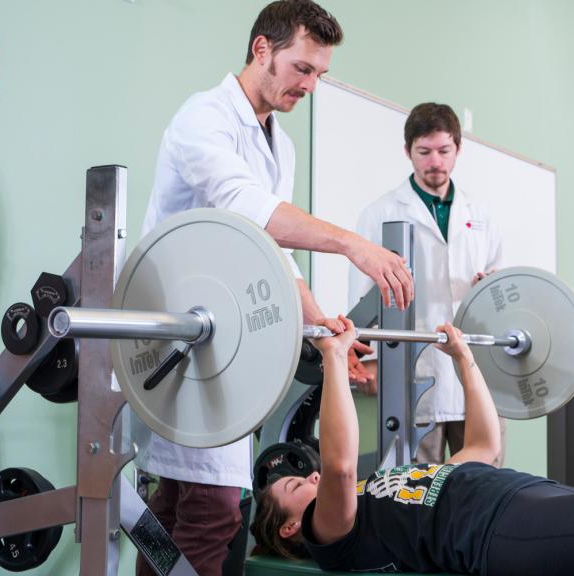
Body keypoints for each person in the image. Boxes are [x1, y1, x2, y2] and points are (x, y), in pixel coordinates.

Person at [134, 2, 413, 575]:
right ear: (262, 49)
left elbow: (271, 254)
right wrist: (352, 245)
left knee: (174, 506)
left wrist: (318, 327)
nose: (310, 85)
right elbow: (250, 211)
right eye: (302, 69)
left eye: (320, 75)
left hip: (217, 347)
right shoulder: (203, 119)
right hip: (174, 341)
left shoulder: (278, 145)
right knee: (211, 511)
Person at [251, 320, 574, 575]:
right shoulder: (332, 534)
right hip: (505, 529)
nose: (308, 475)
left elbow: (484, 446)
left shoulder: (383, 490)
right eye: (295, 484)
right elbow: (338, 466)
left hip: (536, 495)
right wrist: (334, 357)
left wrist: (465, 360)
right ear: (291, 528)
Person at [349, 102, 505, 465]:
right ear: (408, 152)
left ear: (458, 149)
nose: (435, 162)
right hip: (413, 374)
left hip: (476, 371)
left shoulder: (480, 214)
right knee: (419, 493)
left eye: (444, 151)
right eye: (424, 152)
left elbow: (500, 283)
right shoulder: (381, 213)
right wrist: (369, 360)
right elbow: (362, 294)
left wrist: (489, 284)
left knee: (485, 487)